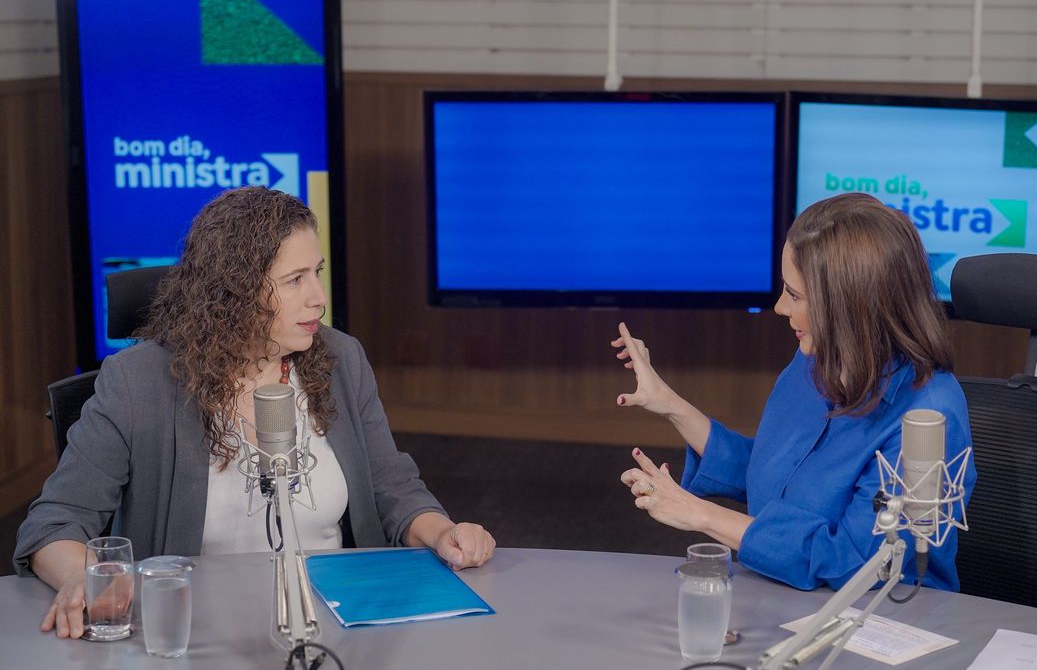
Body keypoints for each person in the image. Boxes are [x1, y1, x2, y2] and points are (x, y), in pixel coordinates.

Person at [15, 186, 495, 639]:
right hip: (194, 632)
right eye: (294, 281)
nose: (319, 298)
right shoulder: (137, 381)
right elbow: (56, 523)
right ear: (234, 292)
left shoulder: (340, 359)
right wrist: (83, 578)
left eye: (317, 273)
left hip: (331, 621)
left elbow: (391, 488)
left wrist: (444, 531)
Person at [613, 192, 976, 591]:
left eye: (796, 295)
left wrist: (700, 515)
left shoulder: (927, 415)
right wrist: (669, 404)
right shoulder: (815, 360)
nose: (780, 307)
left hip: (879, 618)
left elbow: (855, 561)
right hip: (786, 596)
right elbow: (777, 477)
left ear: (848, 307)